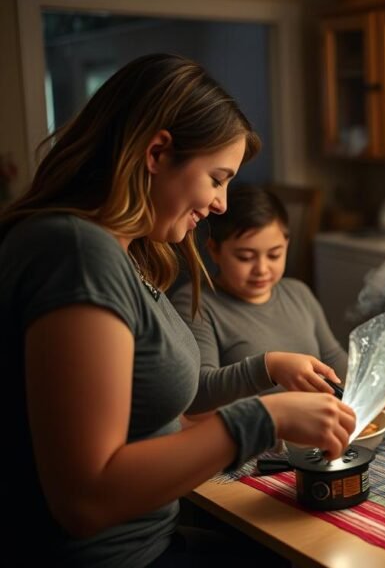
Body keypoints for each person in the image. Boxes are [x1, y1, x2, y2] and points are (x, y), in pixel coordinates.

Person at [0, 54, 356, 567]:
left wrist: (267, 388)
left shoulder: (122, 253)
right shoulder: (75, 254)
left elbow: (159, 418)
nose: (221, 205)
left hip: (159, 539)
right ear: (158, 153)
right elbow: (85, 499)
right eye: (217, 178)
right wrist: (264, 416)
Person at [171, 186, 385, 419]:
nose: (261, 269)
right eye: (245, 257)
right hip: (250, 442)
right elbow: (198, 392)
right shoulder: (195, 303)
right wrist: (268, 367)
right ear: (214, 250)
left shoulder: (298, 293)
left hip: (315, 431)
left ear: (287, 245)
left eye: (274, 254)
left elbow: (332, 360)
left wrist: (370, 389)